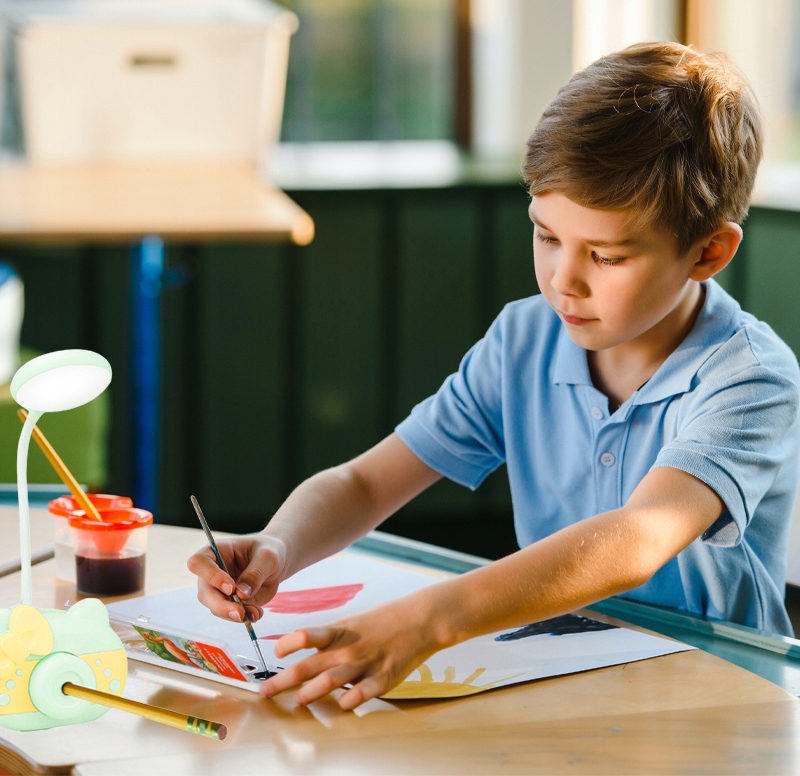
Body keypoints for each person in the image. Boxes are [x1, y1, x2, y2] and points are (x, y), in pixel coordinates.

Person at [188, 41, 800, 711]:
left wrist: (430, 617)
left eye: (606, 256)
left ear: (709, 251)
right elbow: (366, 482)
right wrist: (280, 543)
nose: (563, 281)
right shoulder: (524, 338)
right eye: (545, 236)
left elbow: (641, 536)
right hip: (555, 675)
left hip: (717, 695)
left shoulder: (751, 379)